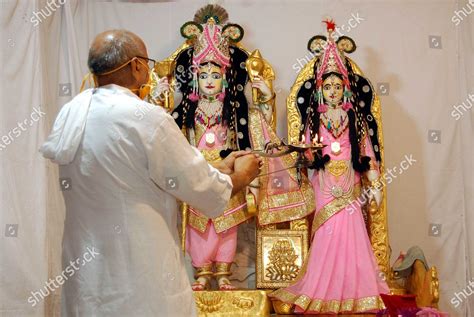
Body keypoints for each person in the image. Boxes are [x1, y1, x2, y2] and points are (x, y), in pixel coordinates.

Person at [39, 29, 262, 317]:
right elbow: (199, 187)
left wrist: (216, 166)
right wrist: (241, 176)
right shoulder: (145, 118)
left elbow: (135, 169)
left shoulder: (72, 112)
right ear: (136, 65)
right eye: (147, 62)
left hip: (87, 267)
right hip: (138, 264)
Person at [158, 4, 314, 291]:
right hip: (196, 170)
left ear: (226, 78)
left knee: (226, 223)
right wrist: (159, 101)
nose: (209, 81)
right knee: (197, 225)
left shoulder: (236, 111)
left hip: (229, 172)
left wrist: (265, 99)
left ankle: (223, 273)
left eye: (215, 75)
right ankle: (202, 273)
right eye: (203, 75)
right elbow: (164, 133)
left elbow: (259, 131)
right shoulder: (186, 112)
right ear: (194, 77)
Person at [270, 20, 389, 314]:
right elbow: (307, 154)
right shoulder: (314, 122)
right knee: (327, 234)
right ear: (321, 89)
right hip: (323, 185)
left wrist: (374, 184)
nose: (334, 90)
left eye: (339, 86)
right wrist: (305, 156)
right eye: (329, 86)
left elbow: (366, 154)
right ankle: (322, 292)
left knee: (352, 233)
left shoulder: (355, 122)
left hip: (350, 185)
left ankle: (356, 294)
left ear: (346, 90)